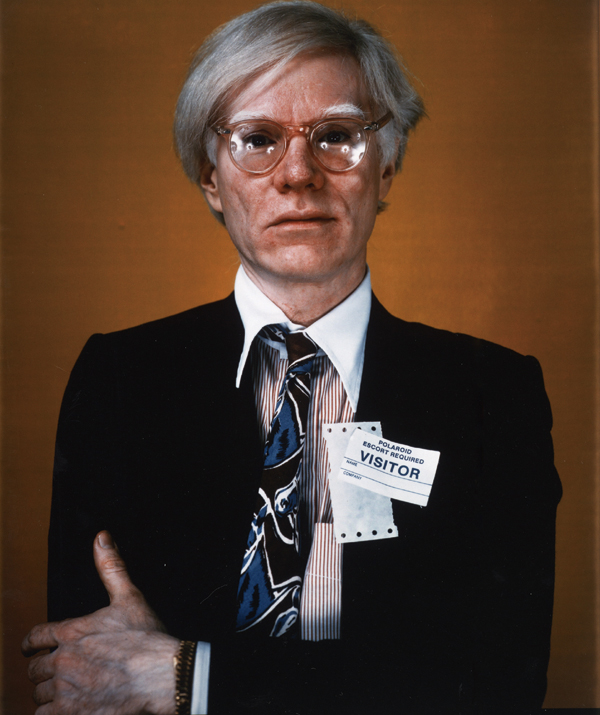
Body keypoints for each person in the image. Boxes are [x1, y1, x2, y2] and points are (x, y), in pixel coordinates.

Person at [21, 2, 562, 714]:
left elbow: (497, 682)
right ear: (211, 177)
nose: (298, 174)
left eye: (337, 136)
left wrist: (190, 676)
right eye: (258, 139)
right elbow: (89, 672)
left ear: (387, 168)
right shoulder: (118, 379)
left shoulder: (494, 394)